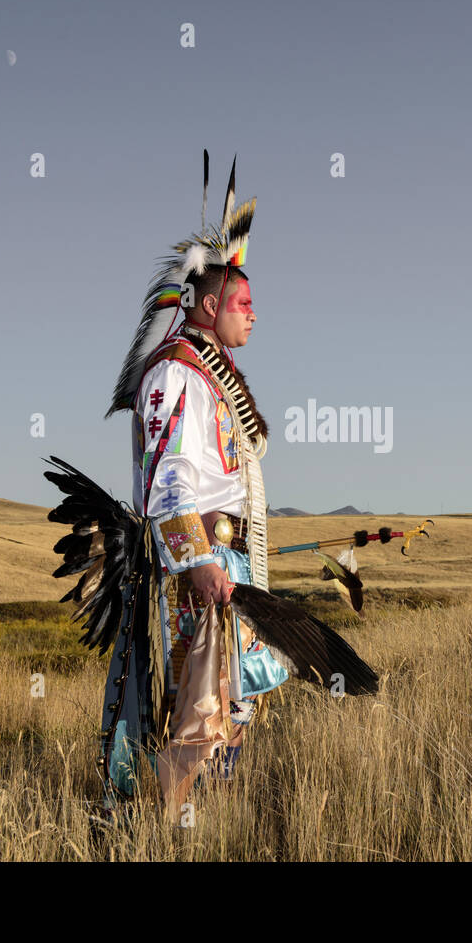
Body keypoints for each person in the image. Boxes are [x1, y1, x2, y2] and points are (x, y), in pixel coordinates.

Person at [101, 152, 289, 817]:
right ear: (208, 305)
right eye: (244, 303)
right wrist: (201, 561)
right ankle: (168, 828)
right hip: (196, 568)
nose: (254, 315)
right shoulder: (175, 375)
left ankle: (206, 824)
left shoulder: (207, 374)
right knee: (196, 709)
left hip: (225, 559)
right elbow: (168, 483)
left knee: (233, 704)